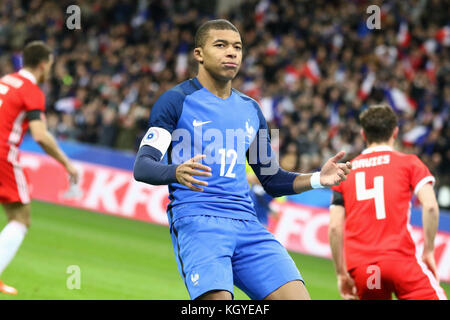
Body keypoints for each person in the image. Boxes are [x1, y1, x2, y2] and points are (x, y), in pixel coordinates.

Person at [134, 19, 351, 300]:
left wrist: (318, 179)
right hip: (199, 221)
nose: (232, 52)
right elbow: (143, 165)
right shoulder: (175, 101)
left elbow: (271, 178)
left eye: (237, 47)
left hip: (248, 224)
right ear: (199, 54)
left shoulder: (252, 110)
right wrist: (175, 171)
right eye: (221, 45)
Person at [328, 104, 447, 300]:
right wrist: (429, 251)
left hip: (365, 269)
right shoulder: (409, 163)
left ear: (363, 135)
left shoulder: (345, 174)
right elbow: (431, 206)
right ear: (395, 132)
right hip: (400, 261)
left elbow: (334, 227)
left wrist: (341, 273)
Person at [0, 41, 79, 295]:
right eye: (51, 65)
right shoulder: (31, 90)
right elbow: (41, 136)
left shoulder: (6, 81)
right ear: (44, 64)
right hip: (2, 154)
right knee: (21, 218)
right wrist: (67, 164)